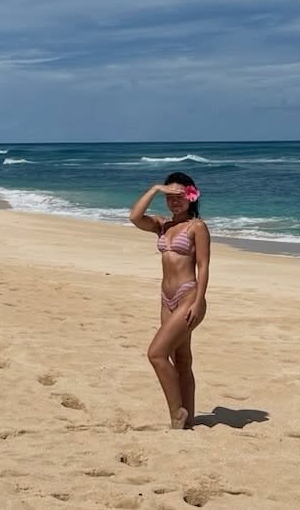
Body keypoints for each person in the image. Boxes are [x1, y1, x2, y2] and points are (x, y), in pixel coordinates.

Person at [128, 171, 211, 429]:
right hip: (167, 300)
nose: (174, 201)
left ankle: (177, 415)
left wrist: (199, 301)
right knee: (182, 358)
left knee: (156, 354)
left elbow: (203, 266)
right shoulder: (162, 225)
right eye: (170, 197)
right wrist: (155, 189)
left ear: (191, 196)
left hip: (189, 297)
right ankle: (190, 417)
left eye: (179, 196)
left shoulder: (197, 227)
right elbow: (134, 217)